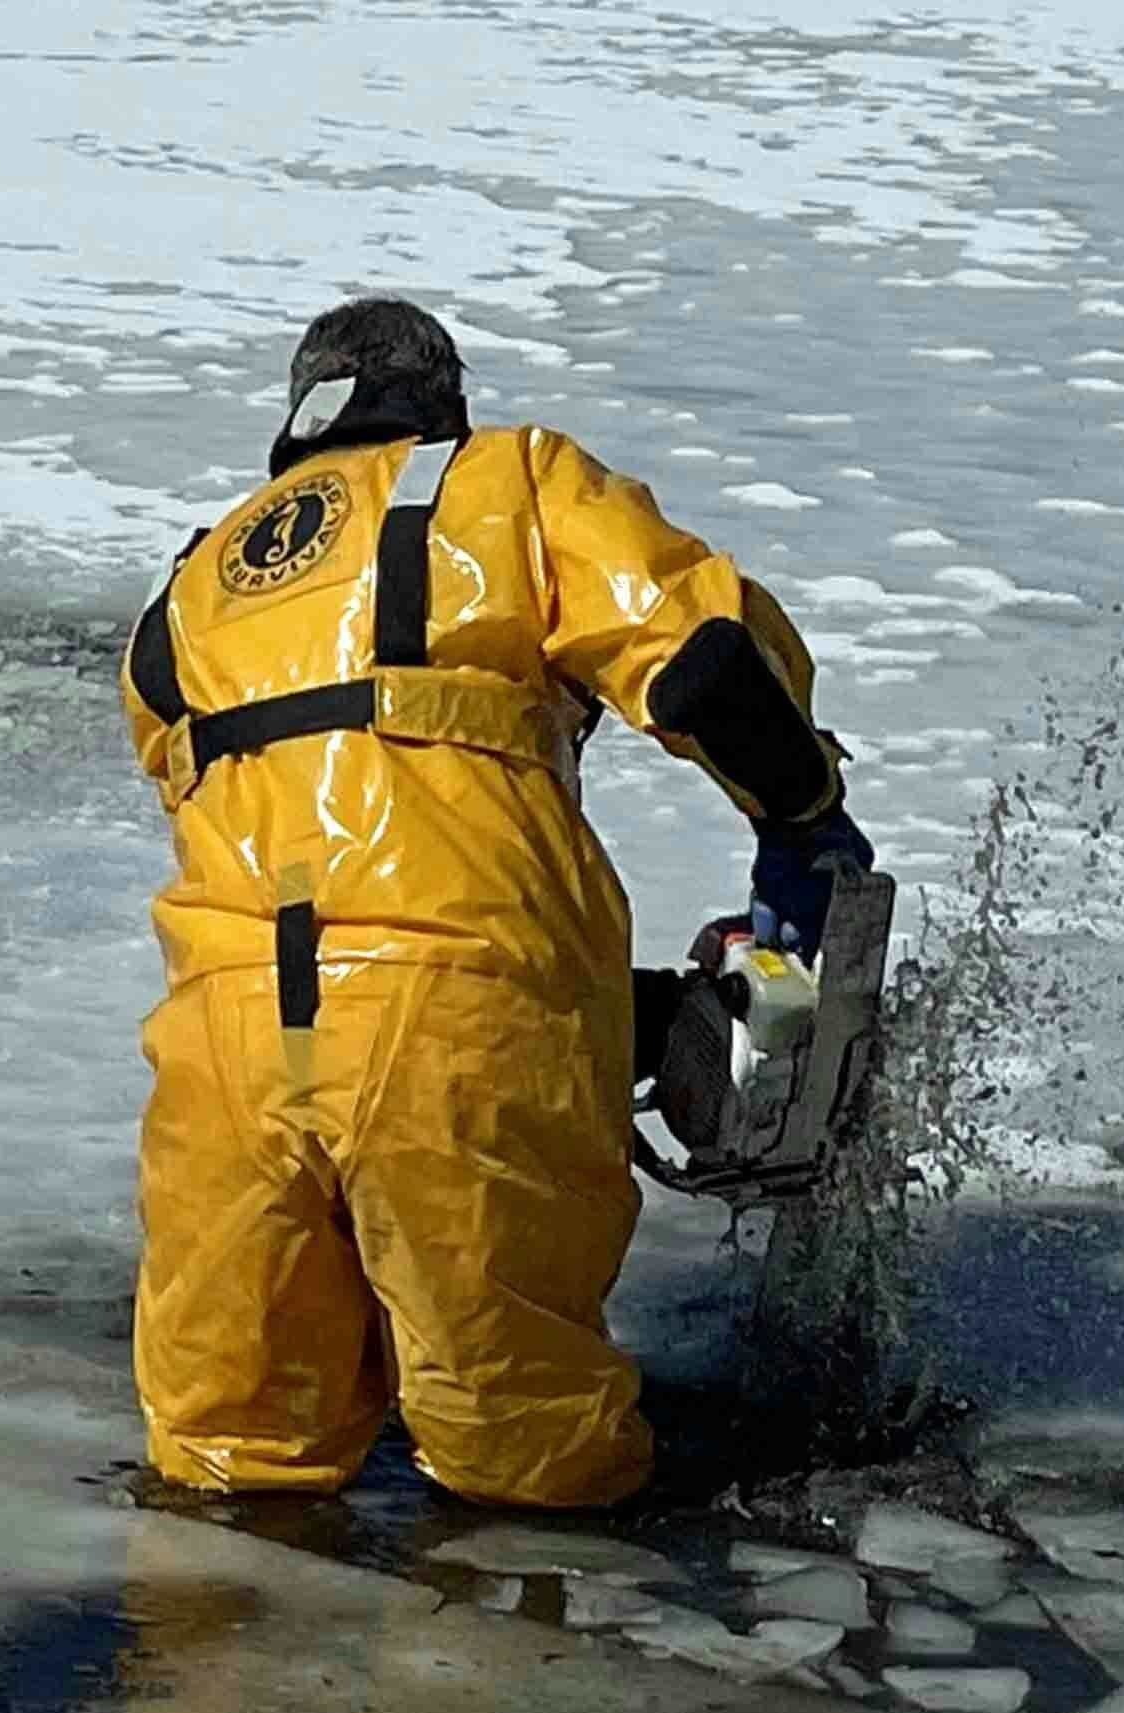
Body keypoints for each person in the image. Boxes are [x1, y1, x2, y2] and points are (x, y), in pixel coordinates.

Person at [118, 297, 870, 1509]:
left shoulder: (190, 588)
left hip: (225, 1048)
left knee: (229, 1460)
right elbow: (704, 661)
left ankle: (212, 1672)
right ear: (440, 400)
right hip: (458, 1022)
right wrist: (802, 817)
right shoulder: (503, 484)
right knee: (525, 1448)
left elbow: (289, 825)